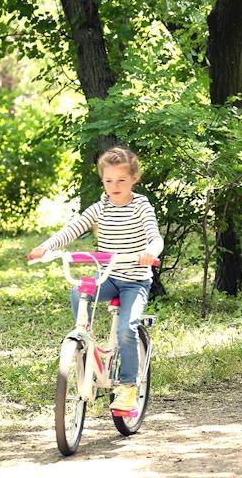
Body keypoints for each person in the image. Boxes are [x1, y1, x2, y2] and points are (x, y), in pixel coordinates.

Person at [29, 147, 163, 412]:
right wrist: (46, 248)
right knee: (78, 291)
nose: (115, 186)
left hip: (134, 281)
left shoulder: (140, 205)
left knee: (127, 329)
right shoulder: (100, 207)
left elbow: (154, 236)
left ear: (133, 179)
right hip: (108, 276)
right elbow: (73, 229)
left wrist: (150, 252)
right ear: (102, 180)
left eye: (121, 180)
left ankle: (127, 387)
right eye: (109, 180)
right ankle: (86, 344)